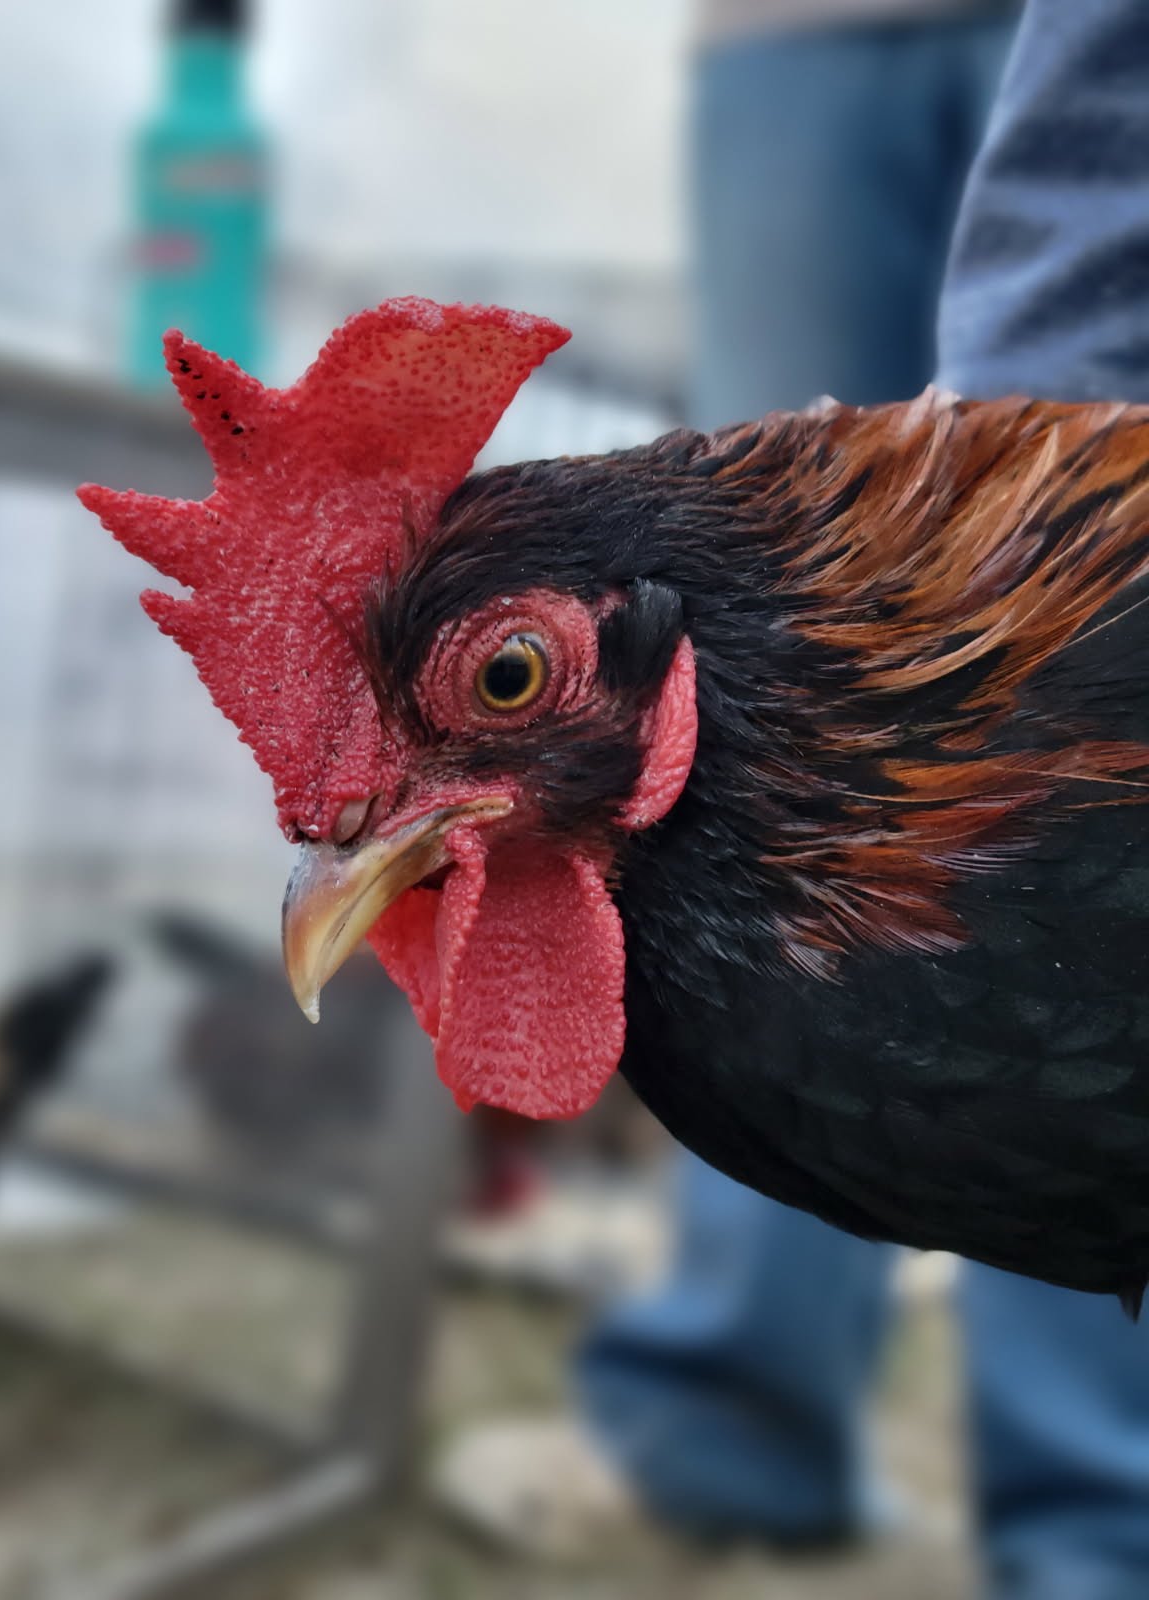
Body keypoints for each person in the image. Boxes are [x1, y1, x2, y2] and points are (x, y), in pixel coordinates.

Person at [437, 4, 1149, 1597]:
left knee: (1041, 750)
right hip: (797, 33)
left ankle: (1097, 1522)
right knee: (742, 809)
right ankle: (730, 1421)